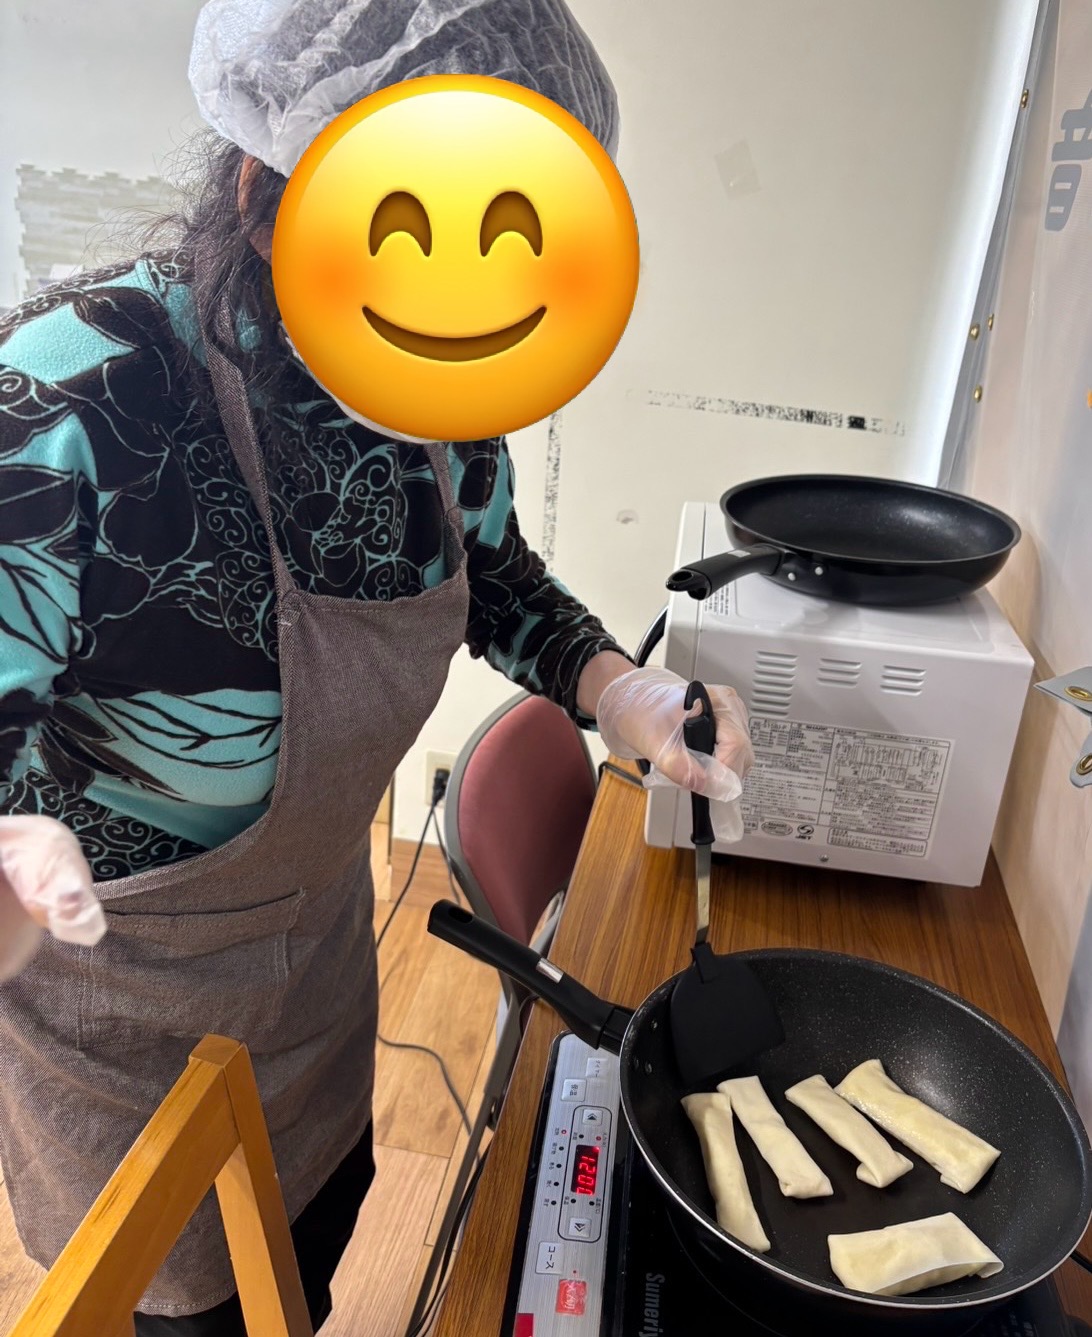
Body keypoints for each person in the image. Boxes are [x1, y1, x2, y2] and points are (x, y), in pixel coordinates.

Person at [0, 1, 754, 1331]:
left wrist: (616, 689)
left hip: (317, 980)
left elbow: (490, 569)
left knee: (318, 1246)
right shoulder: (75, 409)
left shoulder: (444, 384)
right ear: (262, 189)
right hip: (126, 1051)